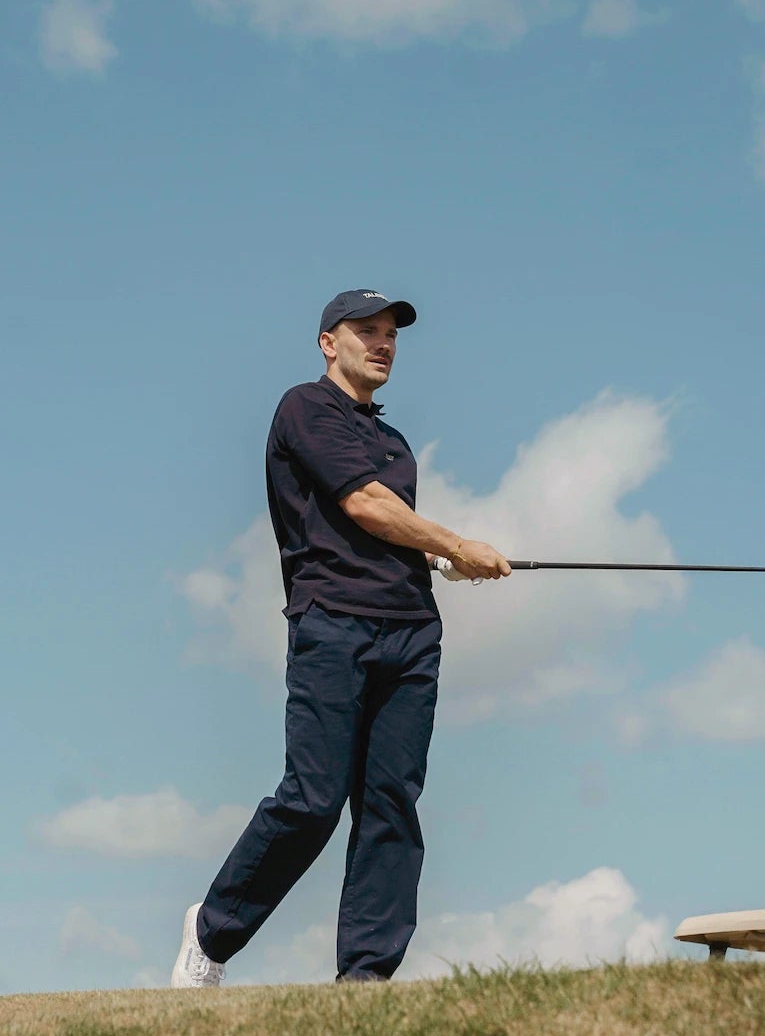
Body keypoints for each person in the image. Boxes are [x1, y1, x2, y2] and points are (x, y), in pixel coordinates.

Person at [172, 291, 512, 987]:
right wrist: (456, 541)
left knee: (392, 803)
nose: (383, 344)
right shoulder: (304, 408)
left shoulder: (394, 442)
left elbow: (383, 529)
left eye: (391, 334)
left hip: (412, 630)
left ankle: (365, 979)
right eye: (367, 331)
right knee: (313, 799)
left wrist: (441, 560)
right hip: (332, 624)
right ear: (330, 342)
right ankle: (212, 932)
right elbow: (362, 503)